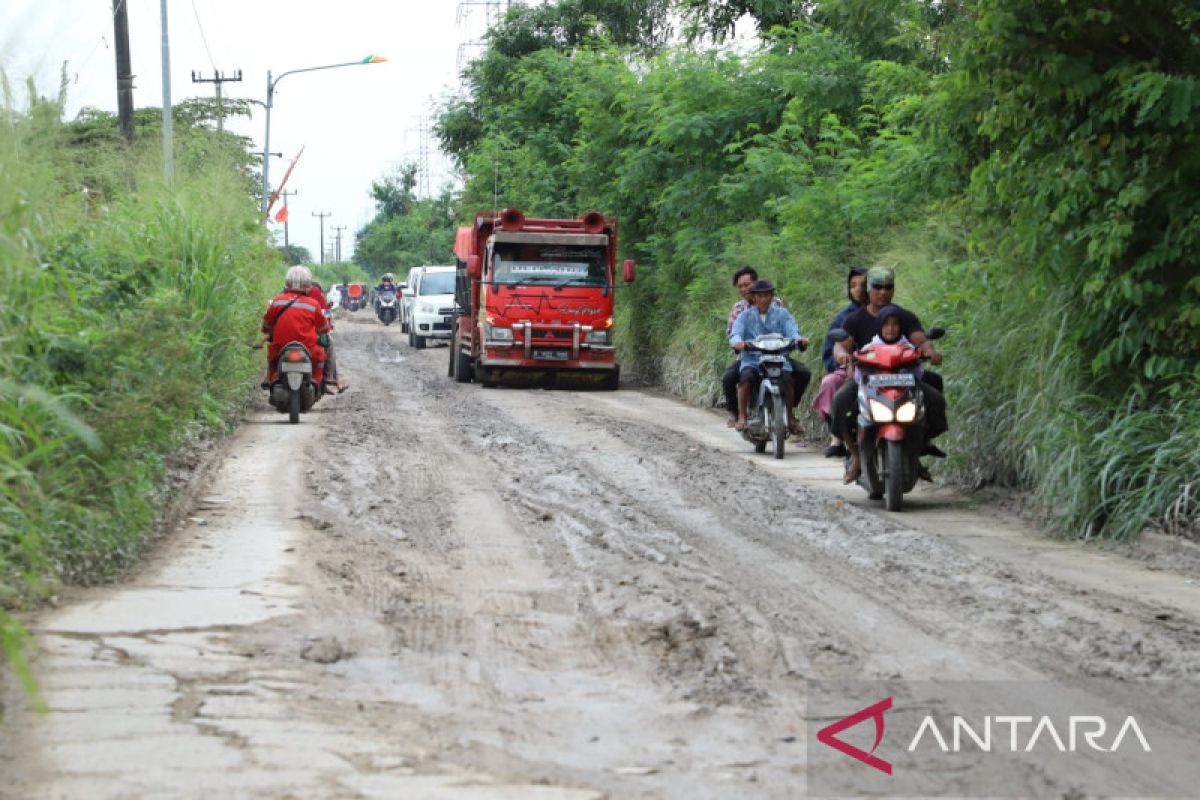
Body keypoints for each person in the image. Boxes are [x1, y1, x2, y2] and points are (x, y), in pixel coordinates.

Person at [830, 267, 946, 484]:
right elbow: (840, 345)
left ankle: (920, 445)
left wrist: (930, 351)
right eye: (877, 287)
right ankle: (855, 455)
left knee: (935, 399)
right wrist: (843, 355)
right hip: (867, 379)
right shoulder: (855, 319)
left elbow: (920, 339)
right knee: (840, 401)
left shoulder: (905, 316)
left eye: (888, 287)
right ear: (868, 289)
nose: (883, 292)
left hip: (904, 378)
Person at [721, 266, 811, 427]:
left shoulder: (781, 311)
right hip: (751, 358)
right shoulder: (742, 313)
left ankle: (790, 415)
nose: (763, 299)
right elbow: (734, 333)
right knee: (742, 377)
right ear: (755, 297)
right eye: (760, 296)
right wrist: (737, 342)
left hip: (778, 356)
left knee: (791, 377)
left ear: (772, 295)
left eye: (767, 295)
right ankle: (740, 415)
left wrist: (799, 339)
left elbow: (792, 329)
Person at [813, 267, 868, 457]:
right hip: (851, 369)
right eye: (853, 286)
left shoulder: (888, 314)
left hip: (884, 370)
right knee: (830, 383)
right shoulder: (845, 317)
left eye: (863, 284)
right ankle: (836, 437)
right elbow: (832, 348)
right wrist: (844, 361)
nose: (859, 289)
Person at [260, 265, 331, 391]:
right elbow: (324, 329)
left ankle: (270, 379)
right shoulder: (313, 304)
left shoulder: (277, 301)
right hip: (308, 347)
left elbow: (266, 326)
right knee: (320, 355)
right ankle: (317, 381)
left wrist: (269, 332)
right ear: (307, 284)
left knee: (272, 357)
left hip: (281, 346)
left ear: (287, 283)